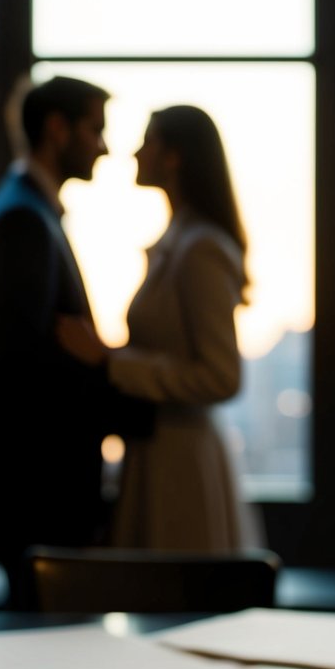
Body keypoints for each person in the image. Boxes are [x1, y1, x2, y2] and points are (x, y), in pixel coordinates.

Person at [0, 75, 152, 603]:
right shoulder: (23, 220)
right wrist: (137, 411)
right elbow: (26, 366)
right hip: (38, 491)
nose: (105, 146)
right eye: (95, 129)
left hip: (36, 489)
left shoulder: (27, 210)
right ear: (56, 128)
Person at [57, 104, 257, 552]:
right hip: (160, 454)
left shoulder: (200, 249)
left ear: (174, 156)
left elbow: (221, 376)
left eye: (148, 140)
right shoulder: (181, 243)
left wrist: (111, 360)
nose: (132, 153)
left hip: (181, 467)